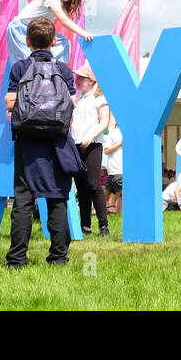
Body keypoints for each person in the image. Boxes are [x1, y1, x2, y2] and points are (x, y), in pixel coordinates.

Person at [4, 16, 83, 268]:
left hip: (27, 143)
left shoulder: (19, 68)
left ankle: (17, 259)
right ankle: (58, 257)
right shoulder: (64, 70)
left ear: (27, 42)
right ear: (53, 42)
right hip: (57, 144)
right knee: (57, 198)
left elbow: (9, 102)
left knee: (23, 201)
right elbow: (72, 103)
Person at [5, 0, 93, 69]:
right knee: (24, 61)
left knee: (64, 43)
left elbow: (68, 21)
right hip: (20, 28)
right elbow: (64, 21)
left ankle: (47, 67)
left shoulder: (60, 3)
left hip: (35, 30)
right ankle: (35, 71)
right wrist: (84, 34)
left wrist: (86, 34)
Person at [70, 64, 112, 237]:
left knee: (94, 184)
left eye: (81, 78)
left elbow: (104, 122)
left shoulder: (99, 98)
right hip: (77, 145)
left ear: (91, 80)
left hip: (92, 145)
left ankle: (104, 226)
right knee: (81, 186)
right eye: (77, 77)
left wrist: (90, 136)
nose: (77, 80)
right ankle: (85, 225)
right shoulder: (78, 99)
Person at [103, 120, 123, 215]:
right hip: (116, 167)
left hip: (122, 168)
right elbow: (106, 151)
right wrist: (120, 143)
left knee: (108, 191)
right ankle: (111, 205)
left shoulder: (129, 133)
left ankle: (98, 208)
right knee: (122, 189)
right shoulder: (113, 134)